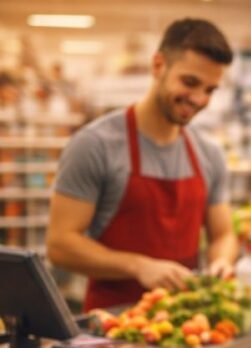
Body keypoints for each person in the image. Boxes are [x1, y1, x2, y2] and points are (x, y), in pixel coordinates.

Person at [46, 19, 237, 311]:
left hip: (186, 321)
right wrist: (138, 266)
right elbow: (60, 245)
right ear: (158, 65)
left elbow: (222, 234)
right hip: (114, 323)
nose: (199, 99)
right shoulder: (95, 145)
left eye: (210, 90)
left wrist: (221, 261)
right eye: (189, 83)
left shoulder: (209, 153)